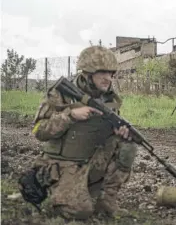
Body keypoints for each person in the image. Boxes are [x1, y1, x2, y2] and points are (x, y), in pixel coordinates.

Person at [30, 45, 137, 220]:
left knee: (128, 144)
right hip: (62, 164)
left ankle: (106, 201)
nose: (108, 78)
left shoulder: (108, 98)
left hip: (89, 161)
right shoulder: (60, 94)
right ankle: (50, 194)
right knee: (81, 212)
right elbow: (39, 131)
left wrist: (120, 132)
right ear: (87, 73)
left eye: (111, 73)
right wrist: (70, 115)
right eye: (102, 72)